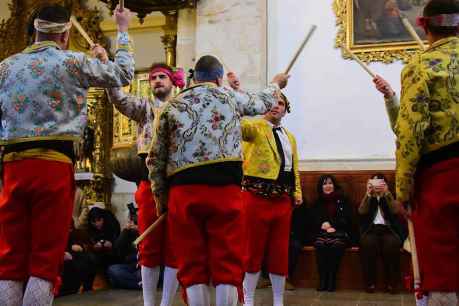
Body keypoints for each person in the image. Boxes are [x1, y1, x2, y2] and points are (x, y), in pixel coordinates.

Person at [0, 4, 133, 305]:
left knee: (11, 255)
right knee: (45, 257)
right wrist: (122, 31)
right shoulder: (73, 62)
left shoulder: (6, 66)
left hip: (12, 167)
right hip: (53, 166)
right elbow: (123, 73)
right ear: (65, 33)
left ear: (34, 29)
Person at [147, 54, 289, 306]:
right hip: (225, 191)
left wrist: (161, 199)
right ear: (218, 77)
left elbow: (156, 158)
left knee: (191, 261)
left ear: (195, 78)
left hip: (184, 192)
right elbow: (261, 102)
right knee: (228, 260)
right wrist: (276, 83)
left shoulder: (172, 106)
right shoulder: (228, 96)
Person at [395, 0, 459, 304]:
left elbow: (410, 132)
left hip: (443, 178)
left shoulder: (420, 66)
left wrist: (404, 189)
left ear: (425, 26)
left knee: (444, 268)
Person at [107, 62, 184, 306]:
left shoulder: (182, 108)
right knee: (148, 246)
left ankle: (166, 303)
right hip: (148, 183)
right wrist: (108, 70)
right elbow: (119, 98)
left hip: (176, 183)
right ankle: (150, 303)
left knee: (174, 248)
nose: (158, 81)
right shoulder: (144, 108)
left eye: (162, 77)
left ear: (172, 81)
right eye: (153, 78)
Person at [240, 92, 302, 306]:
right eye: (272, 102)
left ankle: (278, 300)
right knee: (252, 250)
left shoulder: (290, 136)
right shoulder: (254, 127)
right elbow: (239, 126)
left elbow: (294, 167)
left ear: (286, 109)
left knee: (279, 252)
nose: (276, 106)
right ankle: (248, 299)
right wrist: (240, 95)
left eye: (281, 103)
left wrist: (297, 192)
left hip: (282, 199)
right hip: (256, 197)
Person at [359, 174, 407, 293]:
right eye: (374, 183)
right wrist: (368, 194)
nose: (377, 186)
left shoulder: (390, 195)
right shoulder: (369, 196)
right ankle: (370, 283)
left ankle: (392, 283)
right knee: (367, 244)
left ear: (385, 184)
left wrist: (387, 194)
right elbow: (361, 211)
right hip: (371, 229)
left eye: (380, 183)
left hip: (388, 230)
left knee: (391, 245)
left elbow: (395, 210)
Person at [311, 175, 352, 292]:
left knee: (336, 245)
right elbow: (313, 219)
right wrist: (322, 224)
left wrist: (333, 225)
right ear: (321, 187)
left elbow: (348, 219)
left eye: (330, 183)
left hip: (340, 233)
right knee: (320, 244)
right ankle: (322, 279)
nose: (328, 186)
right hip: (322, 233)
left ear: (334, 185)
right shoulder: (317, 201)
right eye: (325, 184)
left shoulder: (343, 200)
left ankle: (332, 279)